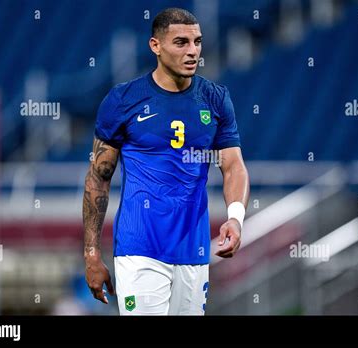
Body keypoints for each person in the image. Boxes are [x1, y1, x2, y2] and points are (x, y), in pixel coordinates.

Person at [83, 7, 249, 315]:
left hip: (194, 249)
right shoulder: (123, 100)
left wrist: (235, 218)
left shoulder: (215, 99)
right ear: (155, 46)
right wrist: (92, 252)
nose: (193, 52)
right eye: (181, 42)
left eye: (197, 42)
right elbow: (98, 177)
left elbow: (233, 165)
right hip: (140, 249)